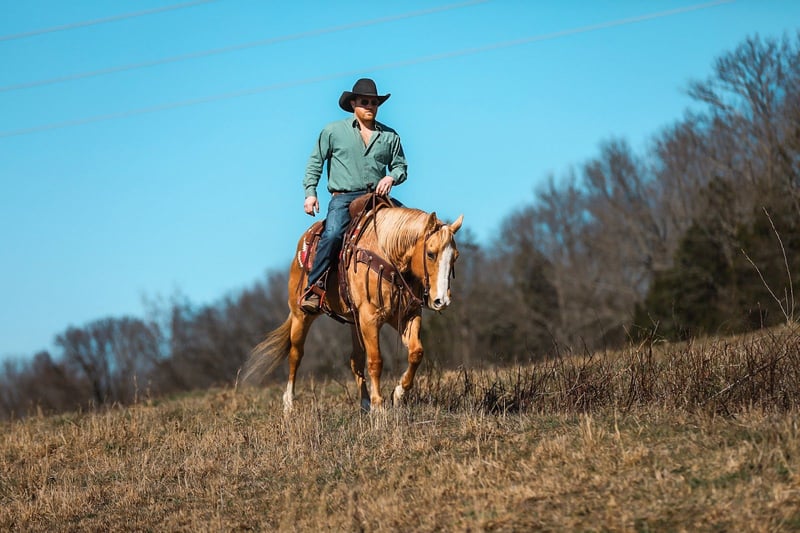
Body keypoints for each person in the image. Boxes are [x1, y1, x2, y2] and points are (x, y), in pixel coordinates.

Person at [299, 78, 408, 313]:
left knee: (409, 229)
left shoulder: (390, 136)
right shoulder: (333, 131)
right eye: (364, 102)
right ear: (353, 104)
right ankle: (314, 288)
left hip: (377, 198)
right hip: (344, 198)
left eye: (374, 103)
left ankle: (415, 290)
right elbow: (315, 162)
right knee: (333, 234)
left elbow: (400, 167)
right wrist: (310, 193)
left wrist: (391, 177)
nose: (370, 106)